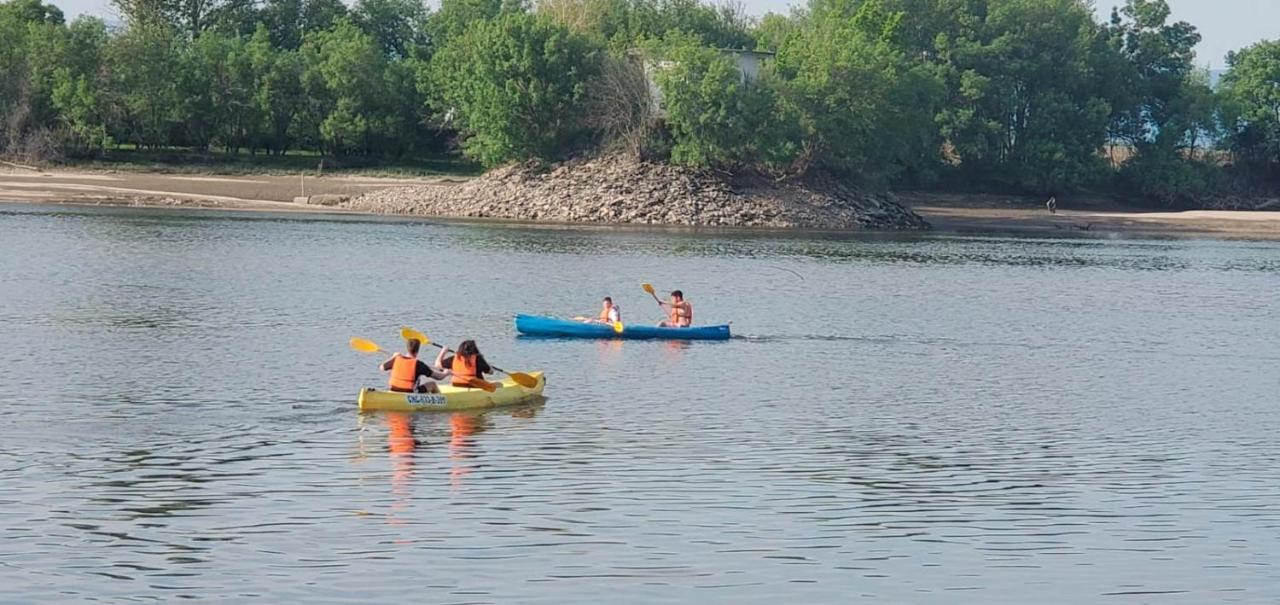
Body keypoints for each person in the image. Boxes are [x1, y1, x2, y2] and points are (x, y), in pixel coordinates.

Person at [382, 338, 450, 393]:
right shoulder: (419, 364)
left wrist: (393, 357)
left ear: (407, 348)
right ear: (418, 350)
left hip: (393, 390)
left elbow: (382, 367)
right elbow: (439, 377)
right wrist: (446, 373)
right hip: (410, 392)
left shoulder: (396, 359)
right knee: (432, 384)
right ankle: (441, 402)